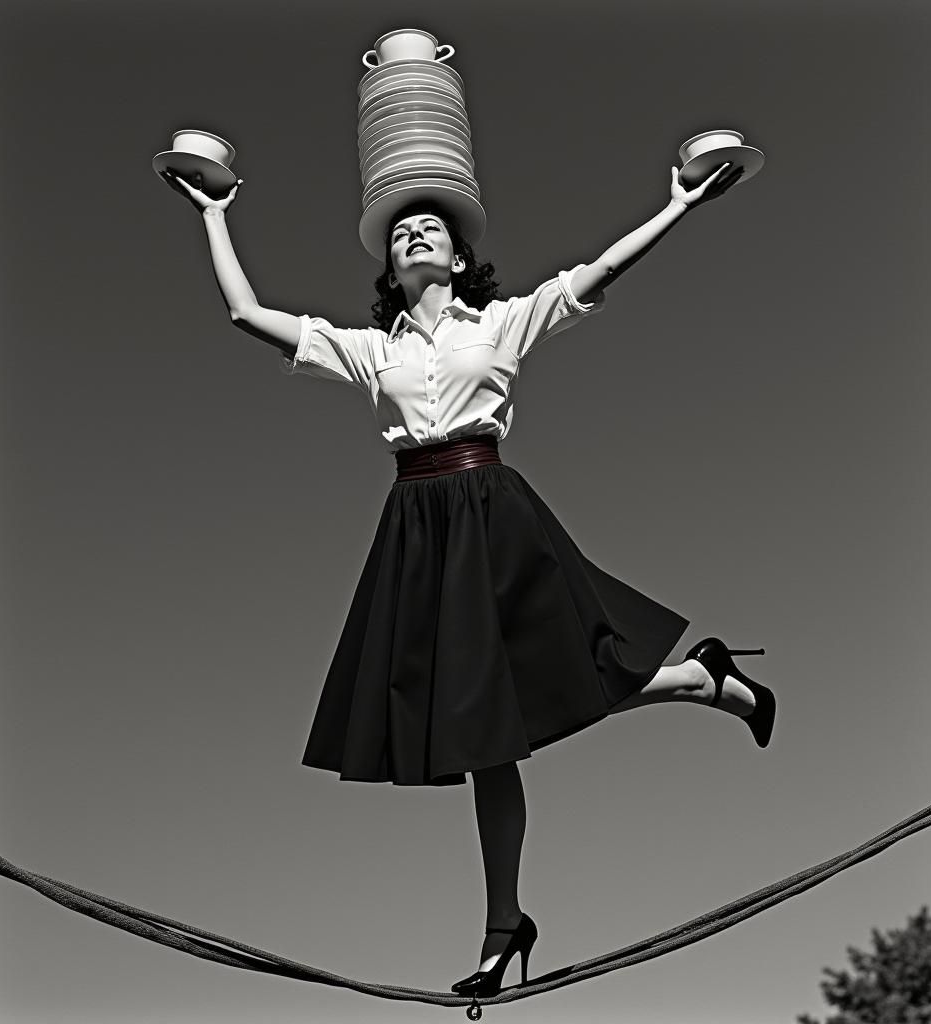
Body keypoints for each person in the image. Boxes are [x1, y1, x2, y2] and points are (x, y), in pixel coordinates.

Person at [160, 157, 776, 1000]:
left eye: (433, 229)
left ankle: (697, 685)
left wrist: (676, 205)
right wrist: (213, 213)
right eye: (402, 230)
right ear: (389, 267)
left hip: (492, 508)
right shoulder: (367, 348)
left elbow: (597, 273)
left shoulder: (503, 322)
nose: (415, 231)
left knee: (543, 686)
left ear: (457, 259)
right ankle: (508, 922)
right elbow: (243, 312)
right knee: (479, 732)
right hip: (416, 527)